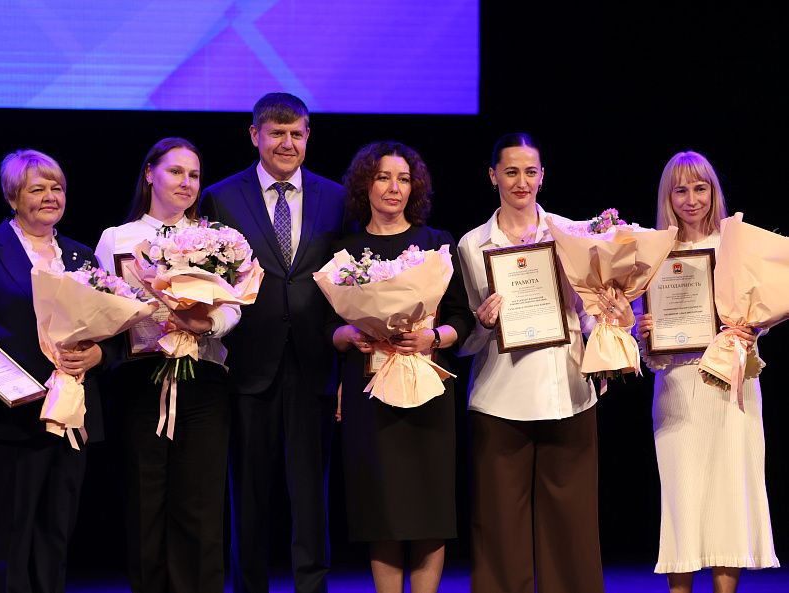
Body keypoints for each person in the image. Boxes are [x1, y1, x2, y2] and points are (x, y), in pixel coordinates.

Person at [457, 133, 624, 593]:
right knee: (499, 533)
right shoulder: (472, 244)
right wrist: (483, 324)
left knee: (571, 531)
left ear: (543, 176)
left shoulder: (572, 234)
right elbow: (466, 337)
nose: (521, 181)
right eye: (511, 171)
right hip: (499, 399)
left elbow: (589, 314)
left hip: (567, 393)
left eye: (530, 172)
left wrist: (609, 322)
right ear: (492, 176)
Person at [0, 149, 105, 593]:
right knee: (8, 542)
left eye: (57, 188)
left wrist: (97, 356)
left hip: (68, 419)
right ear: (13, 198)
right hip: (5, 418)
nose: (51, 196)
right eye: (38, 189)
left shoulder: (81, 255)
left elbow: (108, 333)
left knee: (56, 539)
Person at [199, 92, 345, 593]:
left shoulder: (335, 197)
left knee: (312, 495)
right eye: (276, 133)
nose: (287, 143)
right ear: (254, 135)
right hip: (247, 366)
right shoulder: (221, 197)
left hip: (314, 364)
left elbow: (345, 283)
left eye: (296, 134)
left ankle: (313, 588)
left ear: (308, 137)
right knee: (248, 493)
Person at [95, 137, 240, 593]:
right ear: (149, 174)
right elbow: (101, 305)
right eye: (176, 171)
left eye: (194, 175)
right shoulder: (118, 238)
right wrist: (136, 314)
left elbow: (236, 305)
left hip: (203, 379)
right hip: (140, 381)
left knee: (200, 507)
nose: (186, 182)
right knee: (145, 503)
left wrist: (206, 323)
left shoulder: (218, 238)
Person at [329, 141, 473, 593]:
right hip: (370, 391)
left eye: (404, 179)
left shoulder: (437, 243)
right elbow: (325, 327)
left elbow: (462, 317)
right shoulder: (344, 249)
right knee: (382, 509)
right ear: (365, 184)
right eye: (383, 177)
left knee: (430, 507)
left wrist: (435, 337)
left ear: (415, 188)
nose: (394, 187)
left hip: (428, 386)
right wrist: (346, 334)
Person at [634, 151, 779, 593]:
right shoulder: (653, 253)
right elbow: (647, 346)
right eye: (681, 190)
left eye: (700, 188)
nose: (692, 199)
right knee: (683, 503)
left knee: (730, 502)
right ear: (668, 196)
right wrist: (644, 331)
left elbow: (760, 312)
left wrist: (753, 328)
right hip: (678, 390)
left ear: (713, 192)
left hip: (731, 389)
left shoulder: (735, 245)